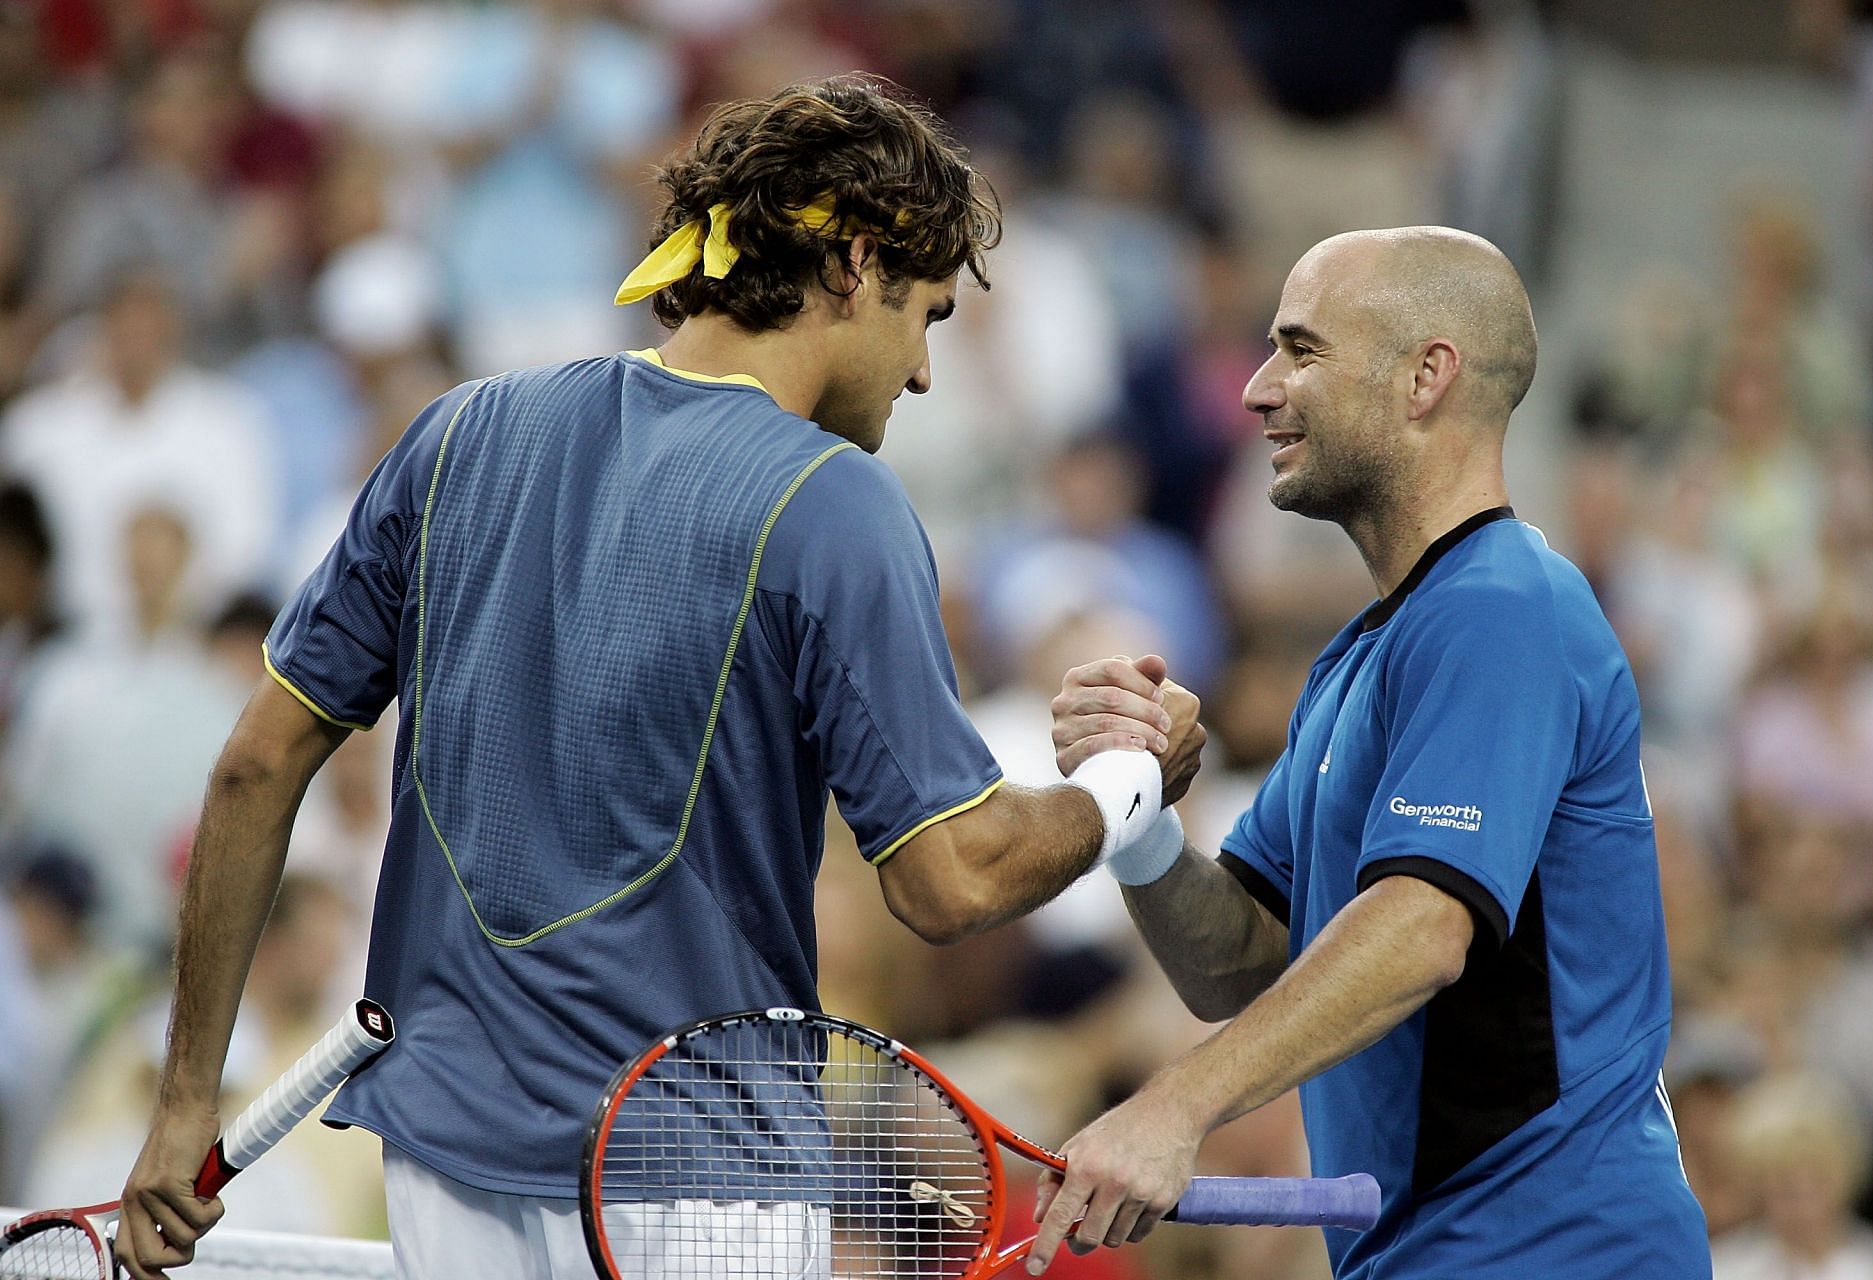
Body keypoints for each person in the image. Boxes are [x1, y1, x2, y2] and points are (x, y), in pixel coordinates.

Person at [114, 75, 1203, 1280]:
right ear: (852, 263)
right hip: (696, 1176)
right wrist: (1126, 784)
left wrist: (182, 1105)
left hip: (440, 1161)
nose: (925, 372)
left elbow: (258, 761)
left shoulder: (457, 430)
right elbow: (950, 881)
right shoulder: (832, 499)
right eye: (928, 315)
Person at [1032, 227, 1712, 1278]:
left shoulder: (1501, 608)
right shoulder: (1364, 655)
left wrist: (1177, 1103)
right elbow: (1243, 960)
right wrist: (1133, 818)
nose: (1258, 390)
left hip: (1557, 1252)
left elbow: (1423, 926)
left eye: (1299, 350)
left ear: (1425, 376)